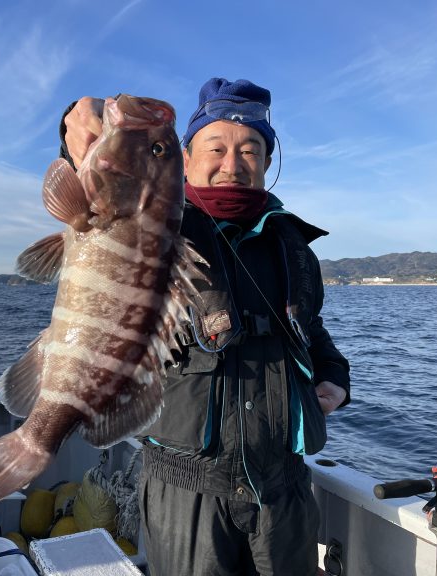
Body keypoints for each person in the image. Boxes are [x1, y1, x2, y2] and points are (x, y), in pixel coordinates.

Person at [60, 78, 351, 576]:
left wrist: (334, 377)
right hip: (186, 492)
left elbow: (312, 329)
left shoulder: (293, 246)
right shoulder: (150, 221)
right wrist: (78, 127)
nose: (232, 165)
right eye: (215, 148)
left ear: (267, 162)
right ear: (186, 157)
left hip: (284, 492)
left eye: (250, 150)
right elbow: (101, 186)